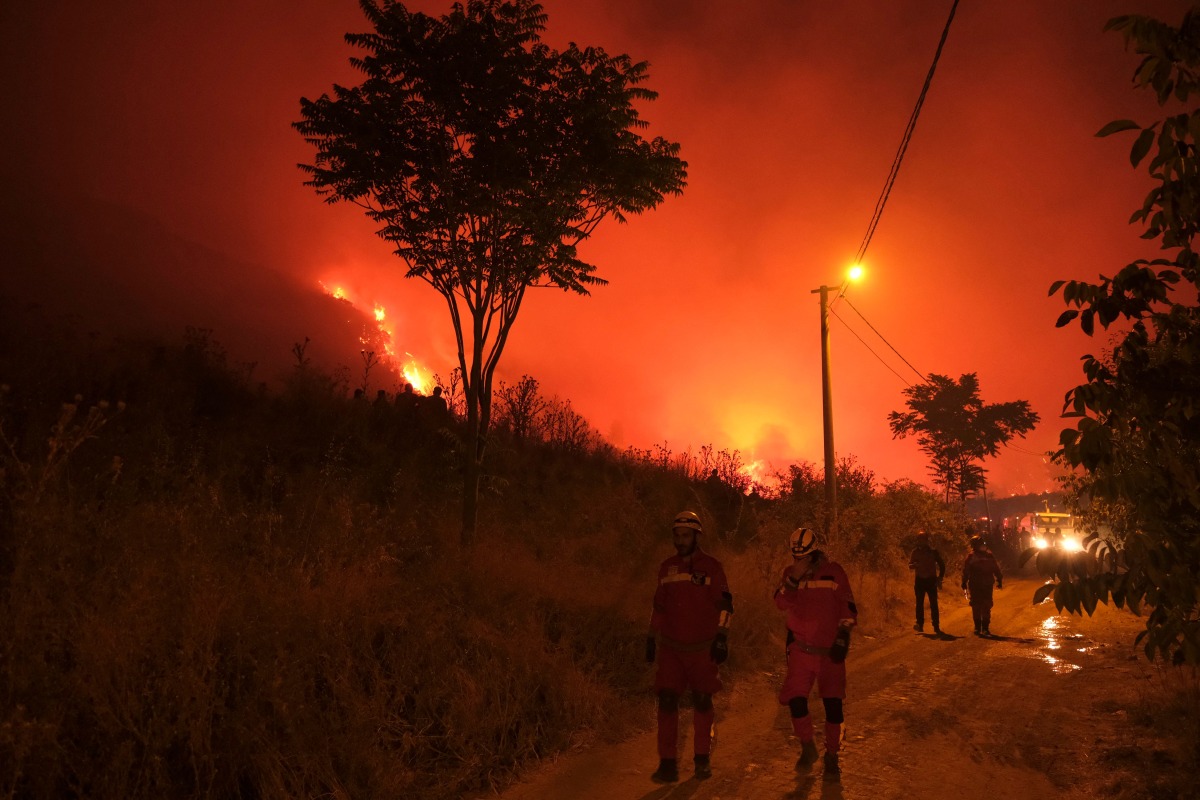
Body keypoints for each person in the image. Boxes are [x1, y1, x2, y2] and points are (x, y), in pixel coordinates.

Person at [645, 510, 734, 783]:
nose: (680, 541)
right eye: (677, 536)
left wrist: (721, 636)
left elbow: (726, 606)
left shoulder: (712, 567)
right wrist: (651, 636)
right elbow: (659, 607)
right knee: (668, 701)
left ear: (697, 536)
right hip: (672, 650)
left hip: (702, 649)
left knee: (702, 701)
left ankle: (701, 761)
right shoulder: (666, 567)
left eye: (686, 536)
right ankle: (668, 764)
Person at [775, 527, 858, 778]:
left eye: (804, 558)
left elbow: (848, 606)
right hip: (801, 649)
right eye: (795, 558)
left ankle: (832, 755)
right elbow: (780, 602)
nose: (799, 563)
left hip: (829, 651)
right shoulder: (791, 575)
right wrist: (792, 580)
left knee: (833, 705)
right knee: (796, 699)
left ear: (814, 554)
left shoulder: (834, 572)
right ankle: (807, 746)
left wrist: (843, 635)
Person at [962, 535, 1003, 636]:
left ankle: (985, 628)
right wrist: (964, 582)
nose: (982, 546)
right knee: (976, 605)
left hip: (986, 584)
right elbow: (966, 571)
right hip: (975, 584)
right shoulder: (971, 557)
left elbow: (995, 568)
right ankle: (977, 627)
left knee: (986, 605)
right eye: (980, 544)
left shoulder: (989, 556)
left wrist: (999, 579)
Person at [908, 530, 946, 634]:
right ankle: (920, 625)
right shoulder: (915, 552)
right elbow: (910, 565)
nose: (921, 541)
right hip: (920, 581)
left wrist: (940, 577)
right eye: (920, 539)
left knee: (934, 604)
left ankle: (936, 626)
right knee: (919, 604)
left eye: (923, 539)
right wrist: (914, 565)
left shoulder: (933, 552)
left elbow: (942, 565)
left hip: (931, 580)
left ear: (926, 540)